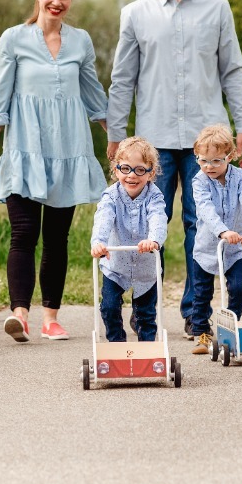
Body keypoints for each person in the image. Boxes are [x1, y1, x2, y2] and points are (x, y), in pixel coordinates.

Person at [107, 0, 242, 340]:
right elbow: (122, 80)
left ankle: (196, 314)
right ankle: (144, 310)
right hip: (151, 142)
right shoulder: (135, 14)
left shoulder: (217, 9)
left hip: (205, 142)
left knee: (202, 226)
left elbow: (233, 71)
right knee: (144, 228)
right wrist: (117, 135)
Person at [0, 0, 108, 343]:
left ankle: (51, 317)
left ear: (71, 1)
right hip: (24, 148)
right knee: (23, 233)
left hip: (68, 150)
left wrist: (116, 138)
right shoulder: (14, 39)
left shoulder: (81, 42)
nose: (57, 2)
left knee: (57, 238)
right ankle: (19, 314)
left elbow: (93, 94)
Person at [187, 124, 242, 355]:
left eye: (216, 161)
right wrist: (222, 231)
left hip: (235, 247)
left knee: (239, 287)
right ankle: (201, 332)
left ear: (230, 156)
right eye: (203, 160)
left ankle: (232, 326)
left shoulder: (240, 177)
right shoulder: (199, 181)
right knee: (201, 293)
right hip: (207, 247)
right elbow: (206, 210)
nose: (209, 166)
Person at [90, 136, 168, 342]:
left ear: (151, 173)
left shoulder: (155, 196)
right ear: (116, 170)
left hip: (146, 268)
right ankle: (117, 346)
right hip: (115, 266)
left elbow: (158, 218)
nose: (132, 176)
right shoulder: (110, 197)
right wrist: (98, 242)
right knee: (109, 307)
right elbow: (103, 219)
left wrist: (153, 240)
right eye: (125, 169)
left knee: (146, 315)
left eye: (140, 170)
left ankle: (149, 352)